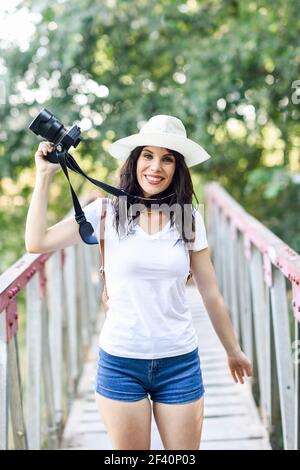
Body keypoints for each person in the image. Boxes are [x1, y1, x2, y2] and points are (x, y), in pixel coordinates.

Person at [25, 114, 253, 451]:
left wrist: (232, 351)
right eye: (148, 155)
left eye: (167, 159)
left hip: (179, 361)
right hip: (121, 361)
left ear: (177, 168)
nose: (155, 167)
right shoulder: (107, 212)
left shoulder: (189, 219)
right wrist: (44, 176)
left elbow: (210, 293)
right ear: (134, 161)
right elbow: (37, 242)